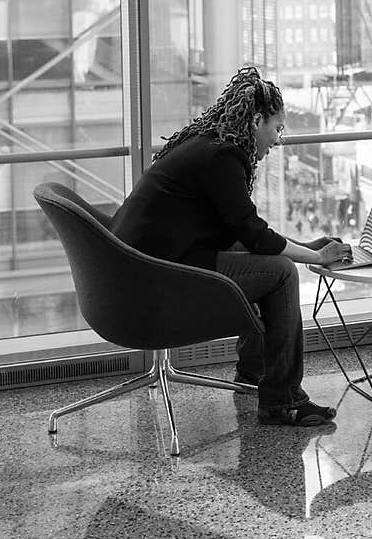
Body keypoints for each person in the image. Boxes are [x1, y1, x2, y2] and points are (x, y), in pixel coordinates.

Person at [110, 65, 352, 426]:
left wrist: (304, 245)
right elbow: (253, 234)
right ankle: (282, 399)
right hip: (156, 278)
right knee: (282, 274)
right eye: (277, 128)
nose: (278, 140)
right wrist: (314, 256)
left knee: (263, 263)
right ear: (257, 121)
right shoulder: (223, 158)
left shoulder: (207, 146)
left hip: (136, 268)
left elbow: (242, 233)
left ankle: (254, 375)